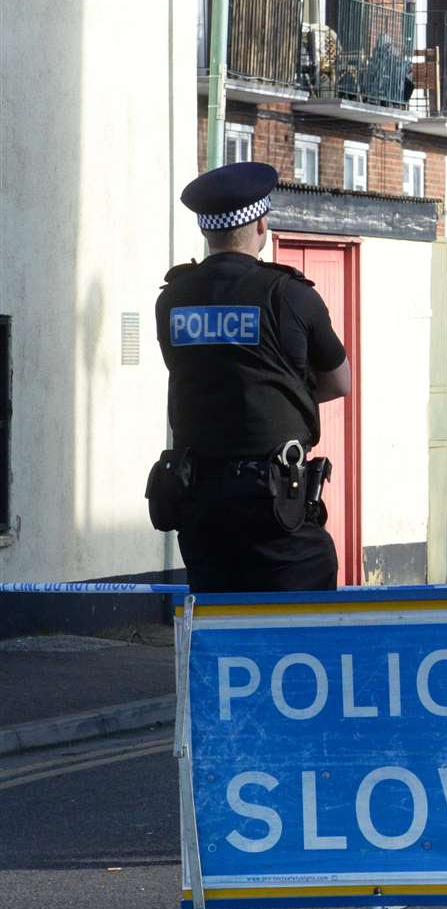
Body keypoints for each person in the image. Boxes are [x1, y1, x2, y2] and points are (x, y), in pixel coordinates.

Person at [150, 162, 351, 592]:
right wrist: (286, 392)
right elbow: (340, 381)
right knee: (303, 615)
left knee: (219, 628)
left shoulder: (171, 302)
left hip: (201, 508)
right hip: (274, 510)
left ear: (207, 231)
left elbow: (192, 372)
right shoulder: (292, 296)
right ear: (262, 224)